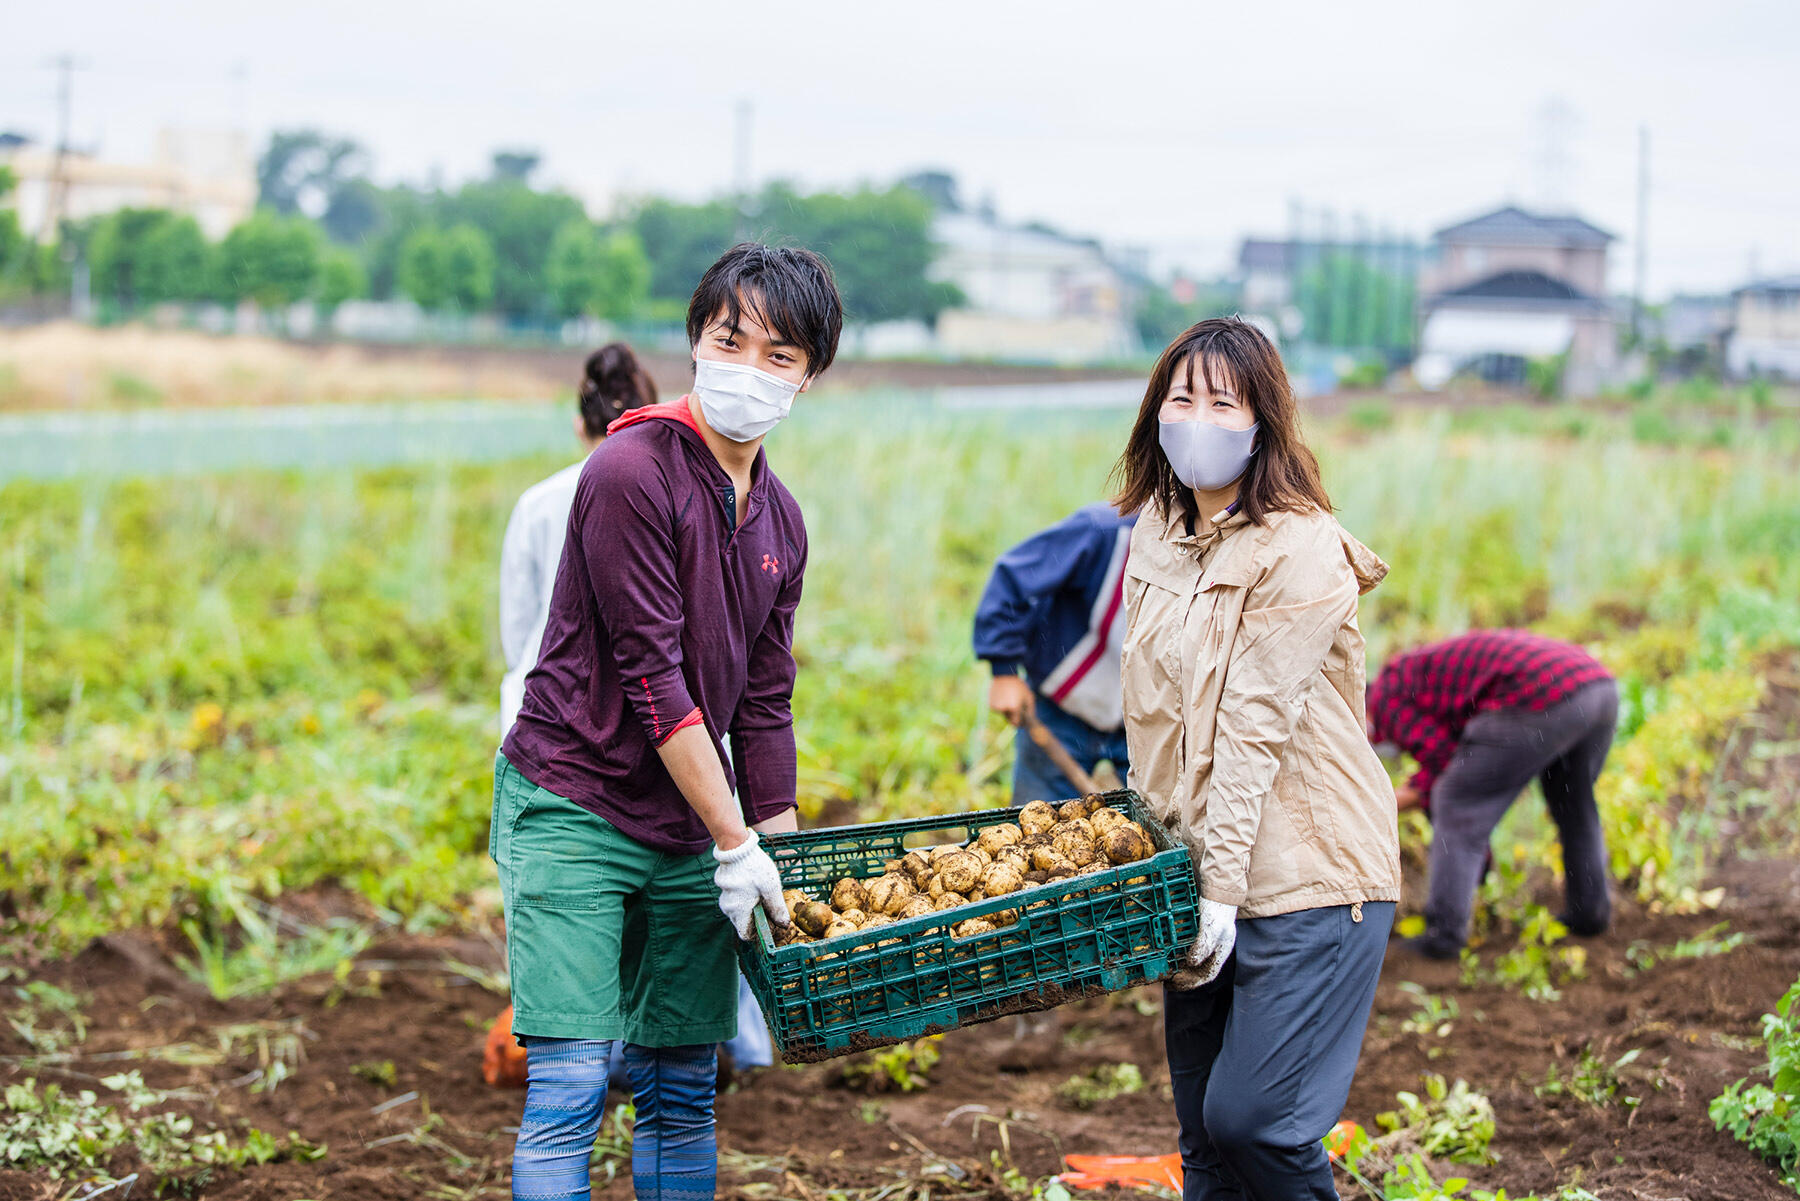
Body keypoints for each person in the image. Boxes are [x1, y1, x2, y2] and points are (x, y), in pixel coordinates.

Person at [491, 243, 843, 1201]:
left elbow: (764, 702)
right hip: (575, 799)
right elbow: (654, 676)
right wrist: (736, 839)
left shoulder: (782, 522)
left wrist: (784, 862)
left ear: (810, 376)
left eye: (782, 355)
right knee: (568, 1084)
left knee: (684, 1084)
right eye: (734, 341)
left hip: (688, 821)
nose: (752, 370)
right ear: (696, 339)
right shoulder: (628, 472)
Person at [1113, 317, 1400, 1201]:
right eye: (1182, 397)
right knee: (1204, 1139)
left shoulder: (1301, 546)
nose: (1197, 417)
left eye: (1222, 401)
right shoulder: (1157, 530)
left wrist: (1222, 894)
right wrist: (1156, 861)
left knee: (1257, 1123)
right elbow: (1151, 719)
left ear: (1262, 422)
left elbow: (1251, 732)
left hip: (1310, 876)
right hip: (1196, 867)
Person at [1367, 629, 1618, 960]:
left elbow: (1445, 760)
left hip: (1544, 693)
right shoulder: (1412, 677)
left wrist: (1391, 801)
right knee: (1573, 803)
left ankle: (1444, 936)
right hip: (1597, 689)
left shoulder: (1381, 701)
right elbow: (1457, 753)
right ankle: (1590, 913)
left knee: (1456, 802)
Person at [499, 343, 657, 736]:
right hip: (643, 723)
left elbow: (518, 626)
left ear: (579, 425)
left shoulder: (538, 503)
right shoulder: (670, 501)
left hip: (540, 715)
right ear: (652, 420)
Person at [973, 503, 1137, 804]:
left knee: (1152, 830)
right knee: (1038, 823)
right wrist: (1004, 671)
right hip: (1061, 710)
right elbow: (1014, 581)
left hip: (1143, 725)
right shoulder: (1104, 531)